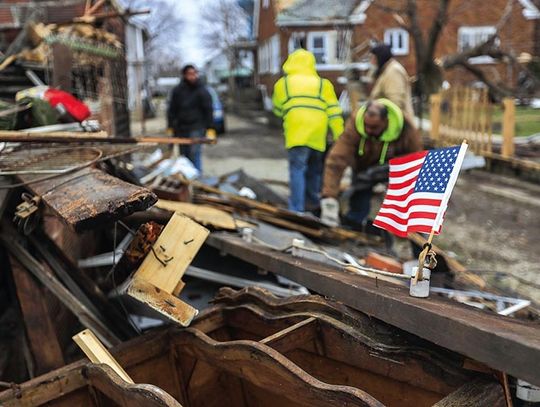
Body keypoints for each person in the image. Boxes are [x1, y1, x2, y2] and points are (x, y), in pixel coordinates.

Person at [320, 99, 422, 227]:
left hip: (392, 168)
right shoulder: (355, 124)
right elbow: (336, 161)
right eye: (366, 126)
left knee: (398, 205)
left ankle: (398, 230)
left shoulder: (406, 128)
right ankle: (355, 224)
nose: (368, 130)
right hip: (363, 166)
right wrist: (329, 198)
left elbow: (415, 160)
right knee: (359, 192)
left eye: (374, 127)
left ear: (386, 121)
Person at [272, 49, 344, 213]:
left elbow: (277, 110)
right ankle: (312, 205)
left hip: (296, 133)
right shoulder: (323, 84)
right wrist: (340, 136)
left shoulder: (283, 84)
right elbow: (334, 112)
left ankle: (297, 209)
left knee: (297, 169)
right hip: (318, 134)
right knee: (315, 170)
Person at [167, 64, 215, 172]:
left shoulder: (202, 90)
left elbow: (208, 109)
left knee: (194, 153)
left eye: (194, 74)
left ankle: (197, 177)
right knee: (184, 155)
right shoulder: (177, 91)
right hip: (181, 128)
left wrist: (210, 128)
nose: (193, 76)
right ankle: (187, 179)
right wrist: (170, 127)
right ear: (184, 75)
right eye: (190, 74)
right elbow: (171, 110)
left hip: (197, 127)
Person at [369, 44, 414, 121]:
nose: (372, 62)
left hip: (395, 124)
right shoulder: (386, 70)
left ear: (380, 58)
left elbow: (395, 103)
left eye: (374, 59)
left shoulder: (393, 71)